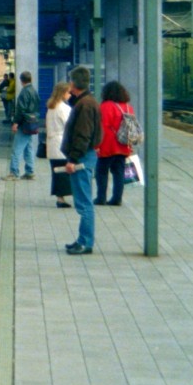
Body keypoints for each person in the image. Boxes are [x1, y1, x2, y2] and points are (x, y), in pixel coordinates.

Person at [61, 66, 102, 255]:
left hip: (82, 157)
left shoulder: (85, 105)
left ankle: (86, 242)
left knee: (84, 203)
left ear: (73, 83)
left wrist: (73, 159)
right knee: (83, 202)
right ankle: (82, 239)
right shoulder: (86, 102)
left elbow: (82, 135)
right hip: (85, 155)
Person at [95, 81, 134, 206]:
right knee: (119, 173)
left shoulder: (106, 106)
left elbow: (102, 127)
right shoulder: (127, 107)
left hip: (108, 144)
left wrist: (97, 145)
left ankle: (101, 198)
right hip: (123, 144)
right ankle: (117, 199)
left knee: (101, 172)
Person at [4, 70, 40, 181]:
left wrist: (16, 123)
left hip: (24, 124)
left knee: (16, 149)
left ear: (21, 80)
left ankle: (14, 173)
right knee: (28, 149)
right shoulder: (34, 91)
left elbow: (20, 110)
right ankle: (30, 172)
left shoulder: (24, 92)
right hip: (32, 124)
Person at [45, 81, 73, 208]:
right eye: (68, 92)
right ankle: (61, 199)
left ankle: (60, 198)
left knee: (56, 172)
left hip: (52, 143)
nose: (70, 95)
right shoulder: (64, 108)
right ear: (62, 93)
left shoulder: (51, 107)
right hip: (62, 143)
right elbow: (69, 126)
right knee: (64, 172)